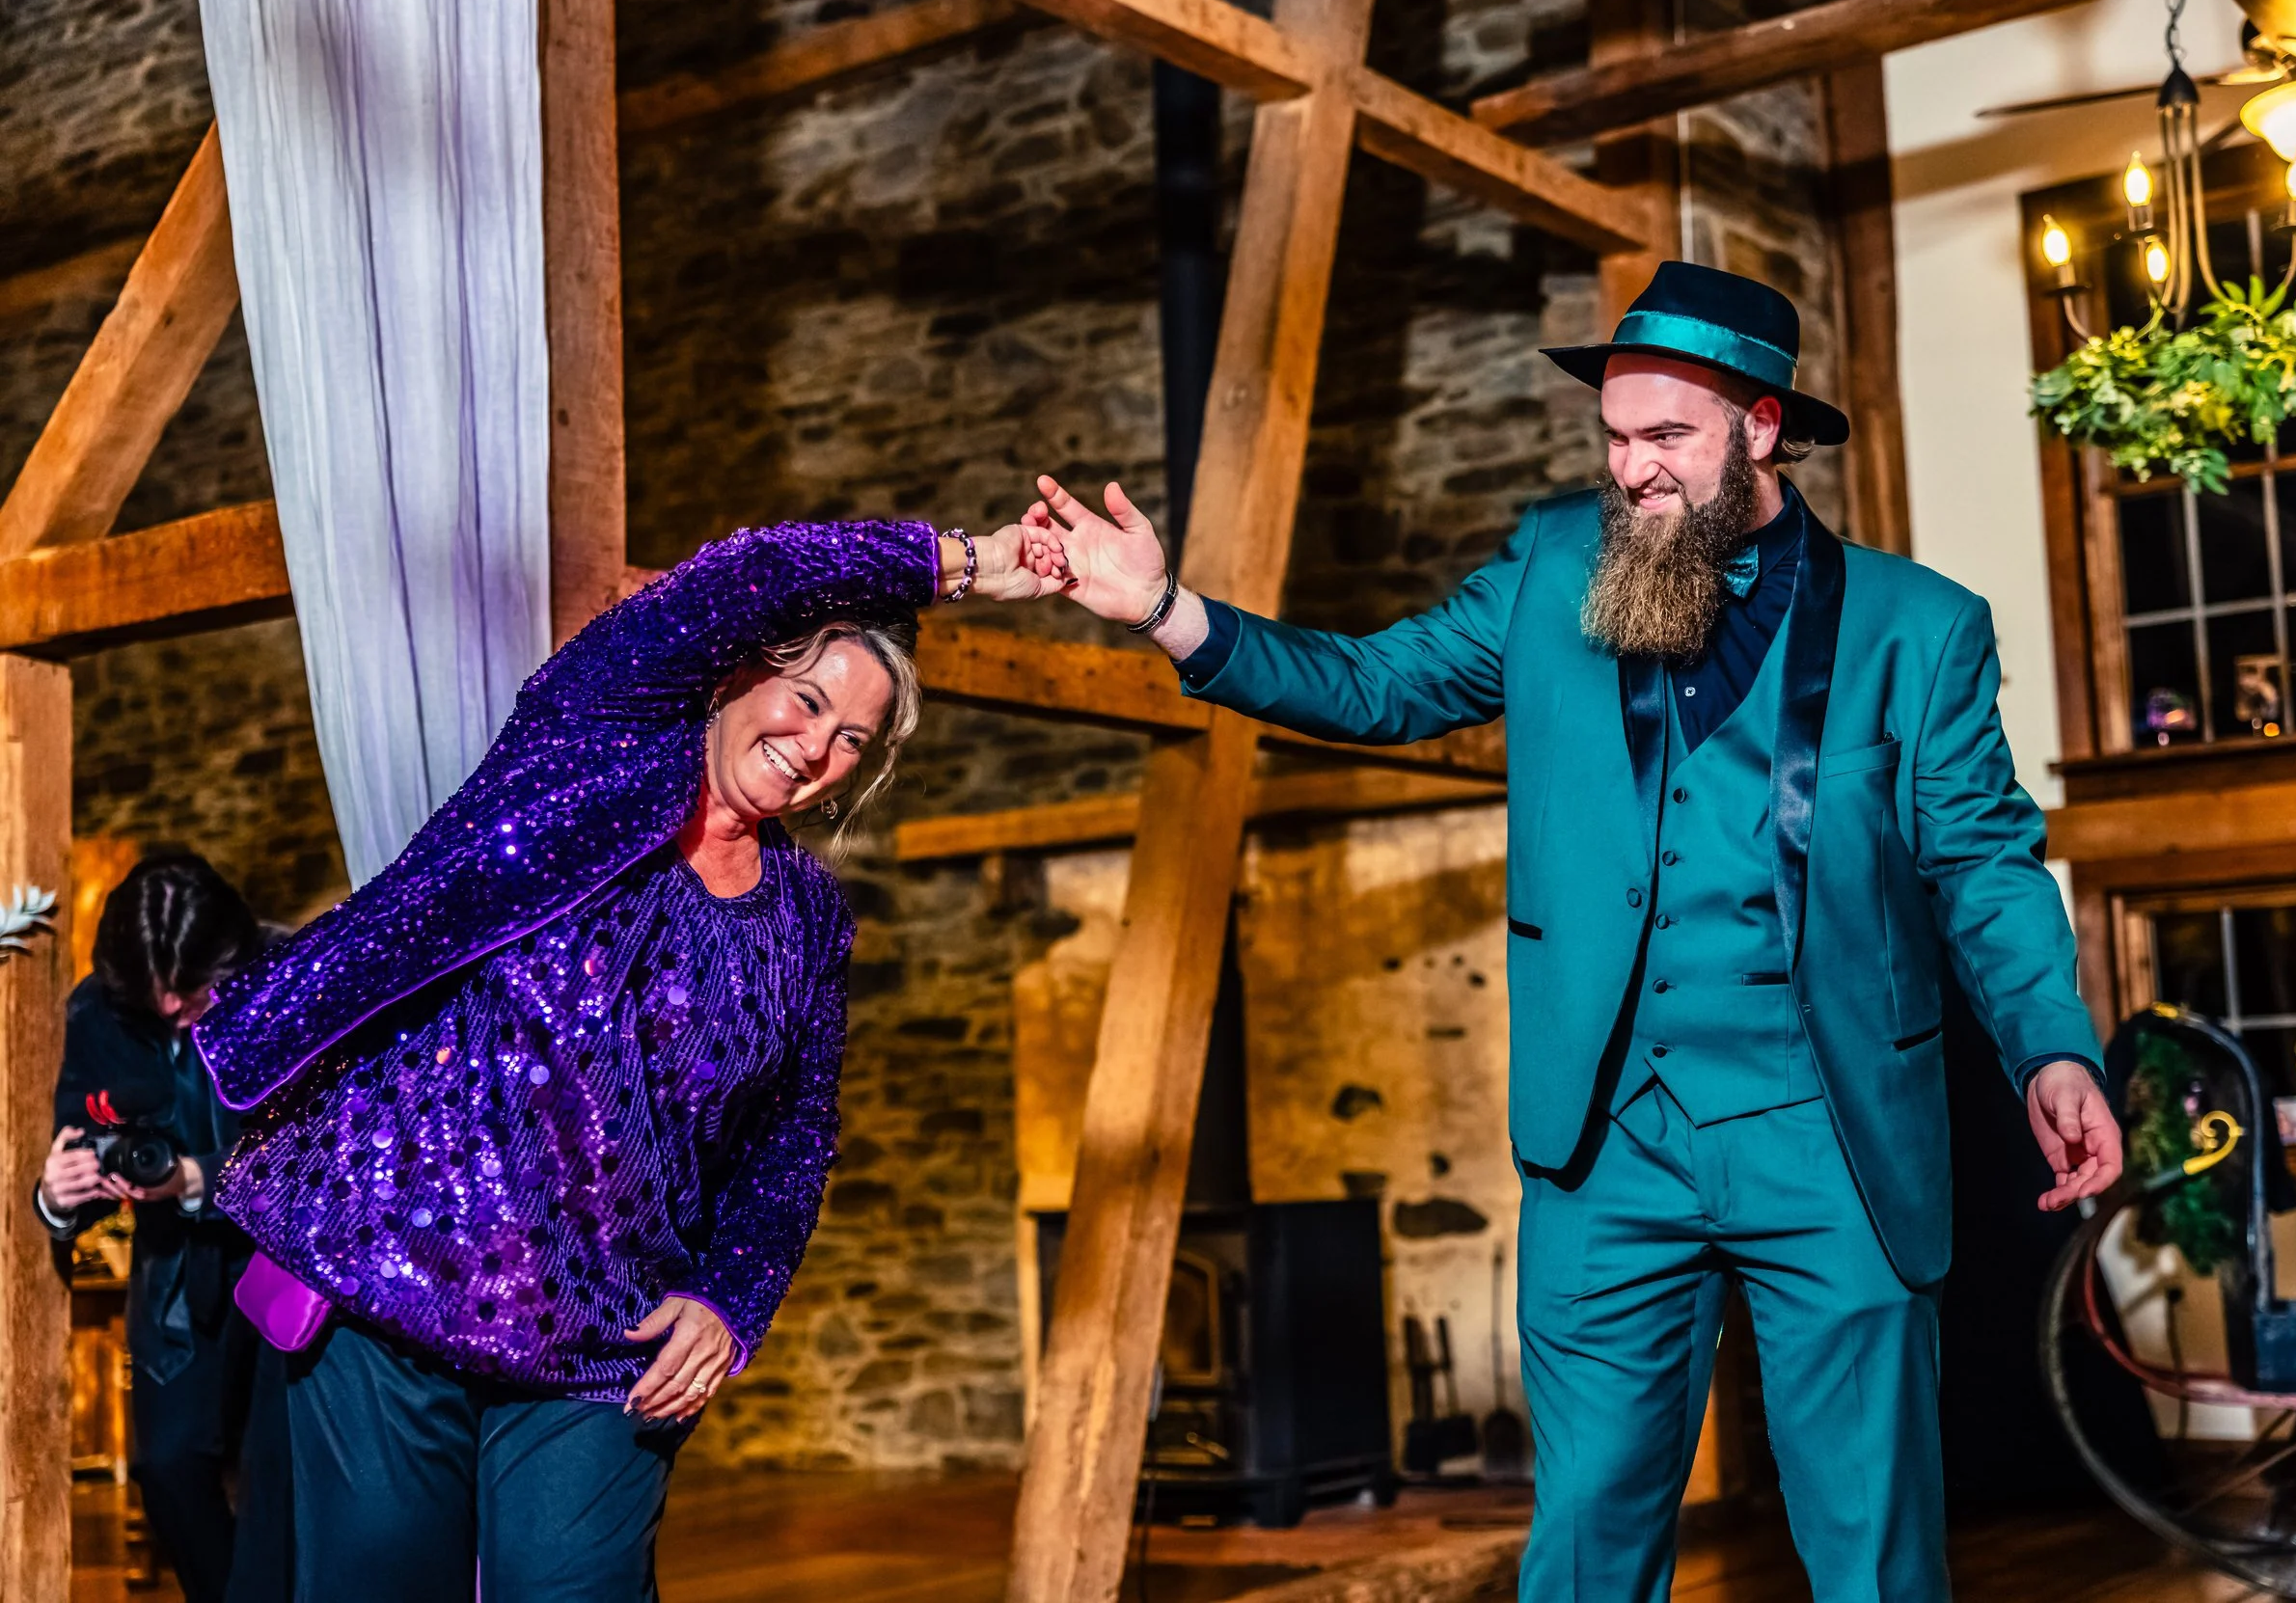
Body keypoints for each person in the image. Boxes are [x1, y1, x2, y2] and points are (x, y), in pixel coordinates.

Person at [1005, 261, 2124, 1600]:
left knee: (1874, 1543)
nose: (1633, 468)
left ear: (1761, 427)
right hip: (1606, 1146)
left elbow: (1985, 860)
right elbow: (1373, 683)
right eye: (1615, 436)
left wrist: (2050, 1046)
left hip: (1829, 1139)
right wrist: (1164, 610)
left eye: (1668, 437)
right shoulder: (1548, 569)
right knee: (1586, 1538)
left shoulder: (1917, 628)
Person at [191, 518, 1056, 1603]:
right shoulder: (590, 743)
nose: (818, 743)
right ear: (741, 671)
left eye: (854, 738)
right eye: (809, 699)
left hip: (605, 1336)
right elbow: (757, 569)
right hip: (389, 1273)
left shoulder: (805, 920)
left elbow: (791, 1142)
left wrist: (729, 1299)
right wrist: (969, 564)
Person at [37, 855, 264, 1603]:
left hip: (284, 1277)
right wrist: (61, 1195)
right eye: (154, 998)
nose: (173, 1008)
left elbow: (324, 1146)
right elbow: (86, 1143)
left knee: (284, 1481)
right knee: (167, 1469)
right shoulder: (96, 1013)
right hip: (175, 1286)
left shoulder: (288, 972)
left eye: (193, 990)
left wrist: (200, 1176)